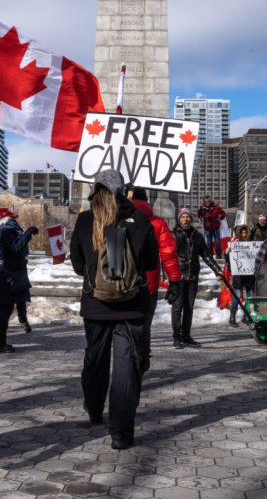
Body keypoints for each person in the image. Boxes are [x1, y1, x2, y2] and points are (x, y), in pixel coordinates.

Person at [70, 169, 157, 450]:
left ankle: (95, 409)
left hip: (95, 304)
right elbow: (151, 262)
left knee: (94, 361)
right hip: (133, 306)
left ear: (96, 190)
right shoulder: (141, 219)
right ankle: (121, 433)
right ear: (123, 191)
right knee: (126, 369)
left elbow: (77, 264)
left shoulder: (85, 220)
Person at [129, 186, 181, 372]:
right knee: (144, 323)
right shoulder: (157, 223)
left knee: (125, 324)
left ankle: (126, 359)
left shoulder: (118, 219)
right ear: (147, 201)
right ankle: (143, 357)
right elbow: (168, 253)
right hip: (148, 283)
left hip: (120, 282)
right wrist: (174, 279)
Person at [0, 207, 37, 353]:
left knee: (2, 311)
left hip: (3, 276)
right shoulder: (4, 233)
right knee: (3, 311)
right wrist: (27, 234)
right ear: (6, 220)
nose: (15, 220)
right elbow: (15, 248)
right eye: (12, 218)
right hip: (5, 277)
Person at [171, 207, 209, 349]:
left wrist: (217, 271)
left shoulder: (198, 235)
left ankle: (186, 335)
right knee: (177, 308)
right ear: (179, 219)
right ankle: (176, 337)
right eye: (183, 217)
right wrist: (168, 276)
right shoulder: (173, 234)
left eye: (188, 217)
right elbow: (167, 256)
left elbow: (206, 255)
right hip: (178, 276)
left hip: (192, 276)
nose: (185, 219)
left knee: (189, 308)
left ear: (191, 219)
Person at [223, 224, 255, 327]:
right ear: (239, 233)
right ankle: (232, 318)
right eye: (242, 233)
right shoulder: (235, 243)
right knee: (236, 297)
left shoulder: (251, 244)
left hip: (249, 275)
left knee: (250, 297)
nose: (244, 234)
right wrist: (227, 253)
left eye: (246, 233)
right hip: (238, 275)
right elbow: (229, 259)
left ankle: (246, 317)